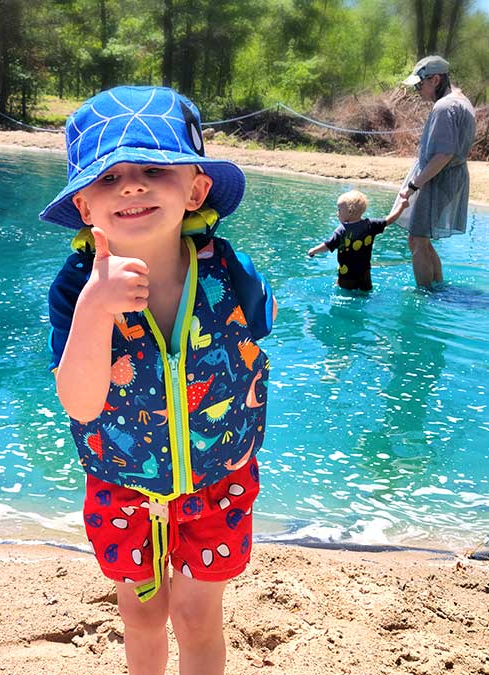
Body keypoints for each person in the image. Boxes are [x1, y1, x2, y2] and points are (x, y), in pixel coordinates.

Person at [41, 85, 276, 675]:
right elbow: (78, 400)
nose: (132, 185)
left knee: (199, 620)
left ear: (195, 188)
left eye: (153, 168)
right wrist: (96, 308)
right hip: (123, 488)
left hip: (219, 480)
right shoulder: (75, 289)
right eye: (107, 177)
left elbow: (259, 335)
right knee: (142, 619)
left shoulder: (231, 271)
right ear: (84, 208)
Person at [398, 55, 476, 287]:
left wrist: (414, 185)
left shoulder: (445, 106)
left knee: (417, 239)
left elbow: (444, 154)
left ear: (434, 79)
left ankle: (425, 296)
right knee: (421, 239)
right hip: (450, 178)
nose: (417, 91)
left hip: (438, 178)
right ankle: (438, 288)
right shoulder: (461, 100)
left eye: (419, 85)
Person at [308, 189, 408, 291]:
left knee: (344, 291)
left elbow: (328, 245)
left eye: (339, 210)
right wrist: (401, 206)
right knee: (365, 292)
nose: (337, 213)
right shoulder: (370, 225)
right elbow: (389, 220)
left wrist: (314, 251)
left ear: (350, 212)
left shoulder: (342, 231)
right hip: (365, 272)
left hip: (347, 274)